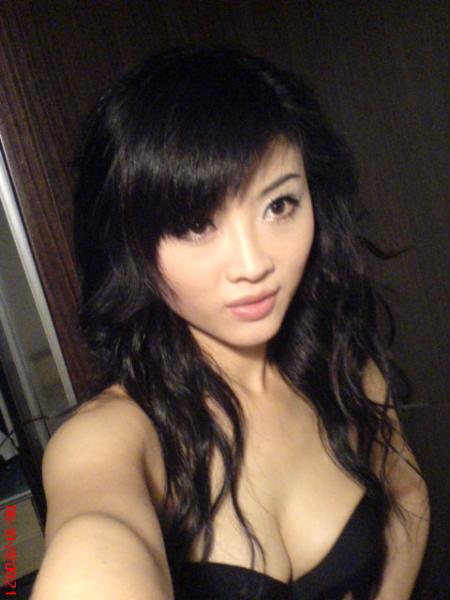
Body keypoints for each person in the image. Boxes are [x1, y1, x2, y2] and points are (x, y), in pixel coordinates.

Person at [32, 46, 429, 600]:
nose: (254, 264)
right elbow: (95, 542)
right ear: (131, 245)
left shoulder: (343, 364)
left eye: (279, 205)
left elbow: (408, 496)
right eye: (196, 224)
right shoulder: (110, 440)